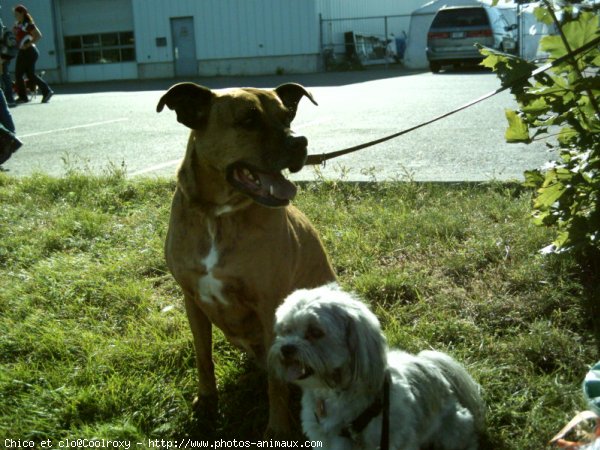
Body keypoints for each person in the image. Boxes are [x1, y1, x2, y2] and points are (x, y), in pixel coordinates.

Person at [13, 4, 53, 104]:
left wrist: (27, 45)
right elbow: (17, 37)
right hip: (24, 52)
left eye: (17, 14)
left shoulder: (27, 24)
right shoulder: (19, 24)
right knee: (30, 74)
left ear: (22, 13)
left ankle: (23, 97)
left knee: (18, 74)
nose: (15, 16)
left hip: (29, 52)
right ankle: (47, 91)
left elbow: (38, 35)